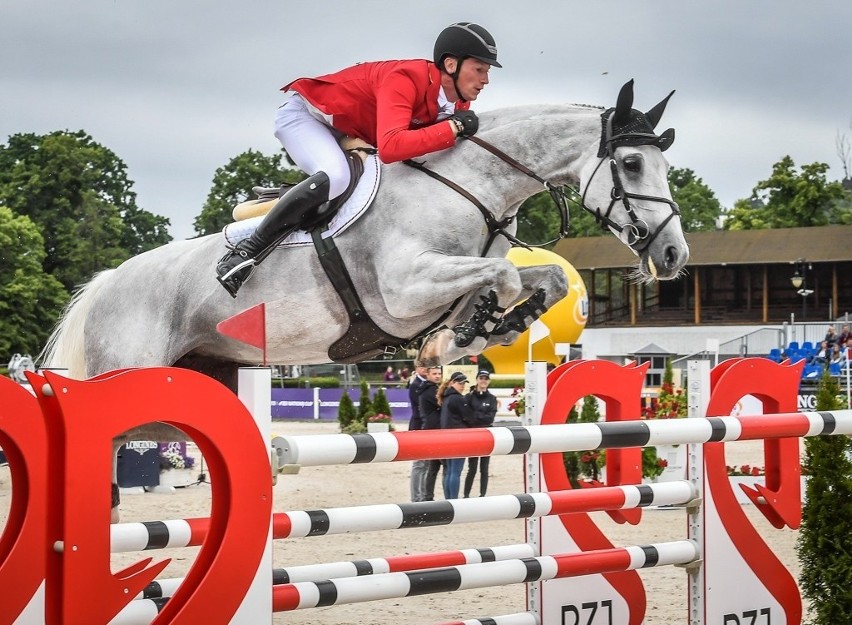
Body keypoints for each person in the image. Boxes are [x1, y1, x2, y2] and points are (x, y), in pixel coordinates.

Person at [215, 22, 501, 297]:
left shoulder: (459, 100)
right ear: (451, 65)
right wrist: (453, 128)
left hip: (351, 132)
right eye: (479, 69)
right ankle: (245, 252)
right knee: (337, 177)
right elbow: (391, 147)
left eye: (486, 71)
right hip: (306, 117)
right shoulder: (406, 77)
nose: (485, 80)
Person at [438, 371, 474, 499]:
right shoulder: (457, 398)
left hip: (447, 438)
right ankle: (454, 500)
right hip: (458, 438)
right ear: (452, 383)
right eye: (460, 383)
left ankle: (449, 499)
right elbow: (469, 417)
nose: (462, 385)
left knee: (449, 471)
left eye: (464, 383)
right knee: (455, 472)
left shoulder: (446, 397)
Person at [463, 370, 497, 498]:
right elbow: (467, 416)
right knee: (472, 468)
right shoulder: (469, 397)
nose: (483, 380)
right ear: (477, 379)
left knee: (484, 468)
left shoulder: (492, 398)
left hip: (487, 435)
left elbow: (490, 418)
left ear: (488, 381)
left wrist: (477, 417)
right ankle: (466, 495)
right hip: (473, 436)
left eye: (486, 378)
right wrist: (480, 417)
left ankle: (482, 495)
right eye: (481, 378)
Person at [418, 366, 445, 501]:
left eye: (439, 373)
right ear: (428, 375)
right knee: (433, 467)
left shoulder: (431, 388)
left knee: (433, 467)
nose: (437, 376)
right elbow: (442, 403)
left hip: (435, 430)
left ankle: (428, 496)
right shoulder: (429, 390)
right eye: (434, 374)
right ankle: (427, 496)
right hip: (433, 431)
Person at [407, 361, 429, 502]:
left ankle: (422, 494)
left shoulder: (425, 383)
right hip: (418, 426)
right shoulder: (416, 385)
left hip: (424, 426)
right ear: (417, 369)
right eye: (422, 367)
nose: (425, 369)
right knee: (419, 464)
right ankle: (416, 497)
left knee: (425, 464)